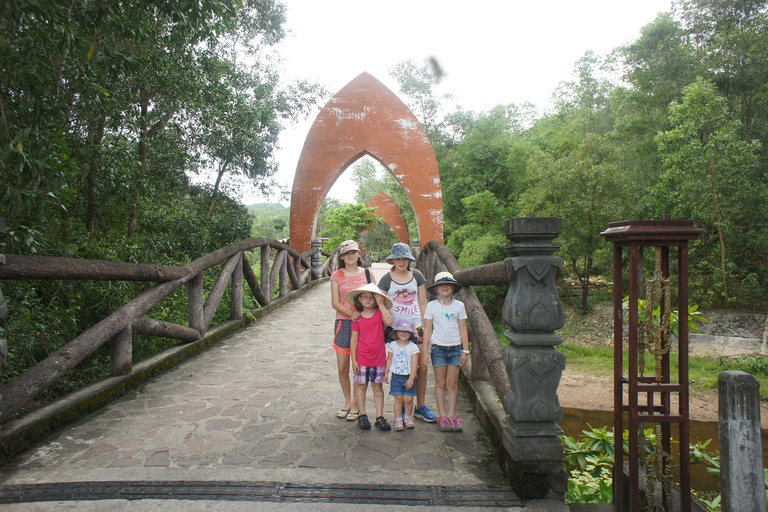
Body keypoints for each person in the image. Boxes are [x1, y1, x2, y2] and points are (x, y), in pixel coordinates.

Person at [377, 242, 437, 423]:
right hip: (395, 329)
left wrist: (428, 325)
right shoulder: (386, 279)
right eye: (398, 258)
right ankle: (403, 405)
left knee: (423, 366)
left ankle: (421, 406)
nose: (401, 261)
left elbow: (423, 302)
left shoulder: (417, 276)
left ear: (409, 260)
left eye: (404, 258)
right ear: (393, 260)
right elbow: (380, 303)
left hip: (416, 325)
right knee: (400, 368)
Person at [330, 240, 374, 422]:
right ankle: (347, 401)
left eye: (353, 252)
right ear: (341, 256)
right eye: (347, 253)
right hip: (344, 322)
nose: (350, 256)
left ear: (358, 254)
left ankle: (357, 403)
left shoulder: (368, 274)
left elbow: (374, 296)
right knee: (342, 367)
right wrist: (351, 313)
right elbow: (335, 302)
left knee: (360, 366)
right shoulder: (336, 275)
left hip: (364, 323)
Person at [422, 271, 469, 433]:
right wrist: (425, 351)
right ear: (436, 288)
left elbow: (463, 329)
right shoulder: (431, 306)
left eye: (448, 284)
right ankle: (442, 417)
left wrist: (466, 350)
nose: (445, 287)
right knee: (440, 383)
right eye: (441, 284)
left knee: (452, 383)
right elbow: (427, 330)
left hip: (455, 348)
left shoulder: (459, 306)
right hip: (438, 349)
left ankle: (452, 416)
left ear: (453, 287)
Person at [347, 283, 394, 431]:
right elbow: (353, 340)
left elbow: (389, 322)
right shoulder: (357, 318)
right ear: (359, 299)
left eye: (371, 298)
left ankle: (380, 416)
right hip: (362, 359)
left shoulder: (380, 314)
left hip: (378, 358)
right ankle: (362, 414)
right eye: (365, 297)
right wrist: (353, 360)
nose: (368, 300)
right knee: (361, 387)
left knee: (377, 388)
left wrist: (381, 304)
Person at [384, 319, 420, 431]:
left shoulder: (413, 347)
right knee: (398, 398)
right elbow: (389, 359)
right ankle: (398, 418)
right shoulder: (393, 345)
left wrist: (411, 378)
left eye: (407, 331)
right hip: (396, 376)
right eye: (401, 331)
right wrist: (386, 372)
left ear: (411, 333)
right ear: (397, 332)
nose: (403, 333)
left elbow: (415, 363)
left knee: (408, 399)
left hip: (408, 376)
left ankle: (408, 417)